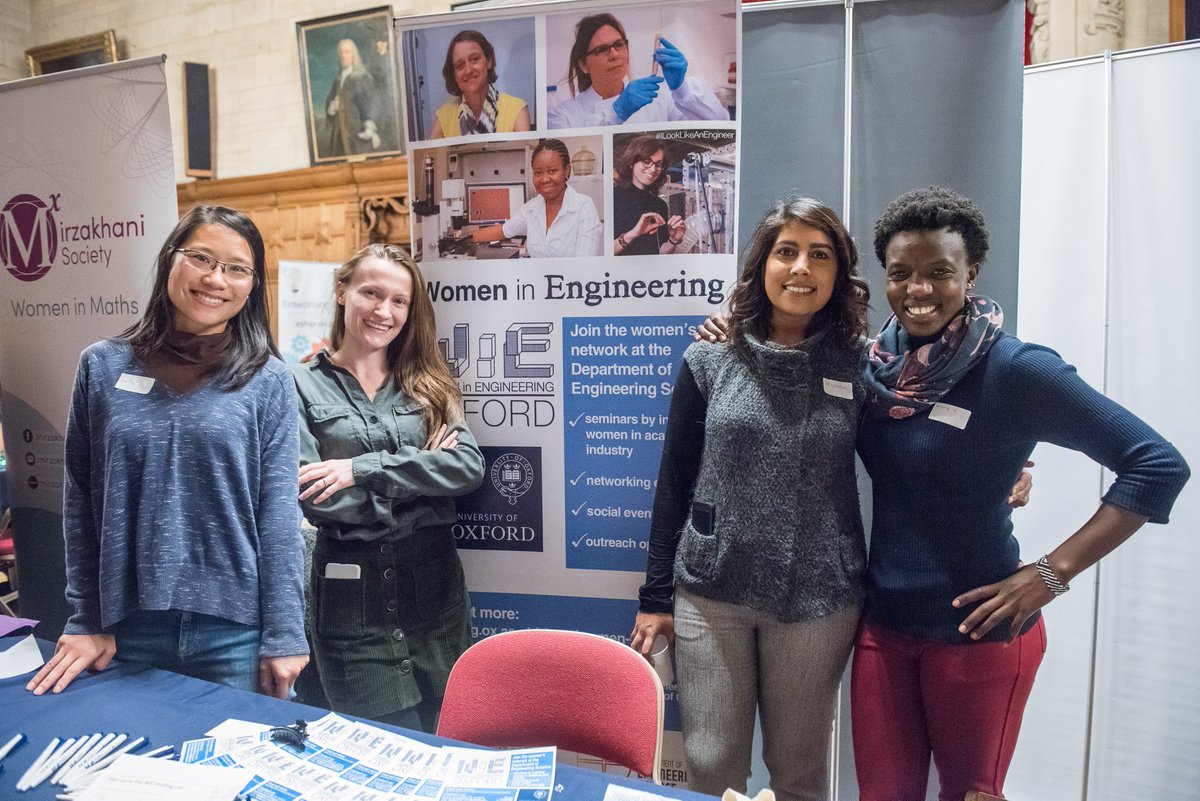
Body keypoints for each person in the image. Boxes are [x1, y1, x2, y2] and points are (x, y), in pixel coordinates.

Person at [851, 186, 1190, 800]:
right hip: (884, 629)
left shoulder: (1017, 368)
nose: (918, 290)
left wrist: (1050, 574)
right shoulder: (877, 370)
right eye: (901, 274)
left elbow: (1157, 464)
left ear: (971, 274)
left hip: (980, 635)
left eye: (939, 273)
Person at [630, 197, 870, 801]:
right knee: (709, 770)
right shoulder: (711, 356)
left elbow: (916, 454)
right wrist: (656, 597)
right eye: (785, 252)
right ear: (762, 264)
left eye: (819, 256)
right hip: (713, 595)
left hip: (818, 599)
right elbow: (674, 482)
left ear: (838, 273)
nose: (800, 269)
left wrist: (1006, 473)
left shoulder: (861, 362)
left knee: (800, 775)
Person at [27, 205, 308, 698]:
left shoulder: (269, 380)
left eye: (237, 268)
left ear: (252, 285)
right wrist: (85, 616)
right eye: (201, 257)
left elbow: (278, 516)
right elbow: (80, 504)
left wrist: (285, 631)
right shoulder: (101, 366)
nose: (216, 279)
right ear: (170, 261)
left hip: (236, 632)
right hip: (126, 628)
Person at [294, 243, 484, 733]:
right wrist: (424, 473)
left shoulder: (430, 384)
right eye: (371, 293)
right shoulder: (296, 384)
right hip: (350, 603)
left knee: (452, 747)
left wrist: (361, 469)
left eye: (399, 301)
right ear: (342, 292)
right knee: (376, 749)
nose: (385, 311)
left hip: (435, 593)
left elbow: (465, 468)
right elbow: (316, 495)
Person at [548, 13, 728, 129]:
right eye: (602, 49)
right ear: (583, 65)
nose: (614, 55)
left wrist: (681, 89)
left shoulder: (660, 98)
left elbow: (720, 126)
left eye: (619, 45)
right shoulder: (562, 115)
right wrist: (617, 112)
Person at [472, 139, 602, 258]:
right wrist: (464, 238)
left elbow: (585, 268)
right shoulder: (531, 208)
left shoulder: (584, 207)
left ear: (566, 170)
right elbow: (504, 231)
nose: (544, 180)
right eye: (538, 173)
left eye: (552, 171)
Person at [430, 30, 532, 138]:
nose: (468, 70)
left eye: (474, 59)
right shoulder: (443, 118)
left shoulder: (516, 110)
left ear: (489, 61)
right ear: (454, 75)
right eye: (460, 65)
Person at [613, 134, 687, 255]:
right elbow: (605, 252)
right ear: (631, 162)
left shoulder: (659, 204)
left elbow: (660, 253)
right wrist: (634, 233)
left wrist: (673, 240)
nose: (653, 169)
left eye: (658, 164)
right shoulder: (614, 197)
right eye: (646, 161)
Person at [326, 38, 381, 156]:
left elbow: (372, 102)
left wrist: (370, 126)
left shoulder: (362, 77)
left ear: (353, 55)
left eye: (347, 52)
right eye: (341, 52)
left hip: (358, 135)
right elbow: (330, 110)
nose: (343, 55)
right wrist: (331, 109)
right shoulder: (338, 81)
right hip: (339, 138)